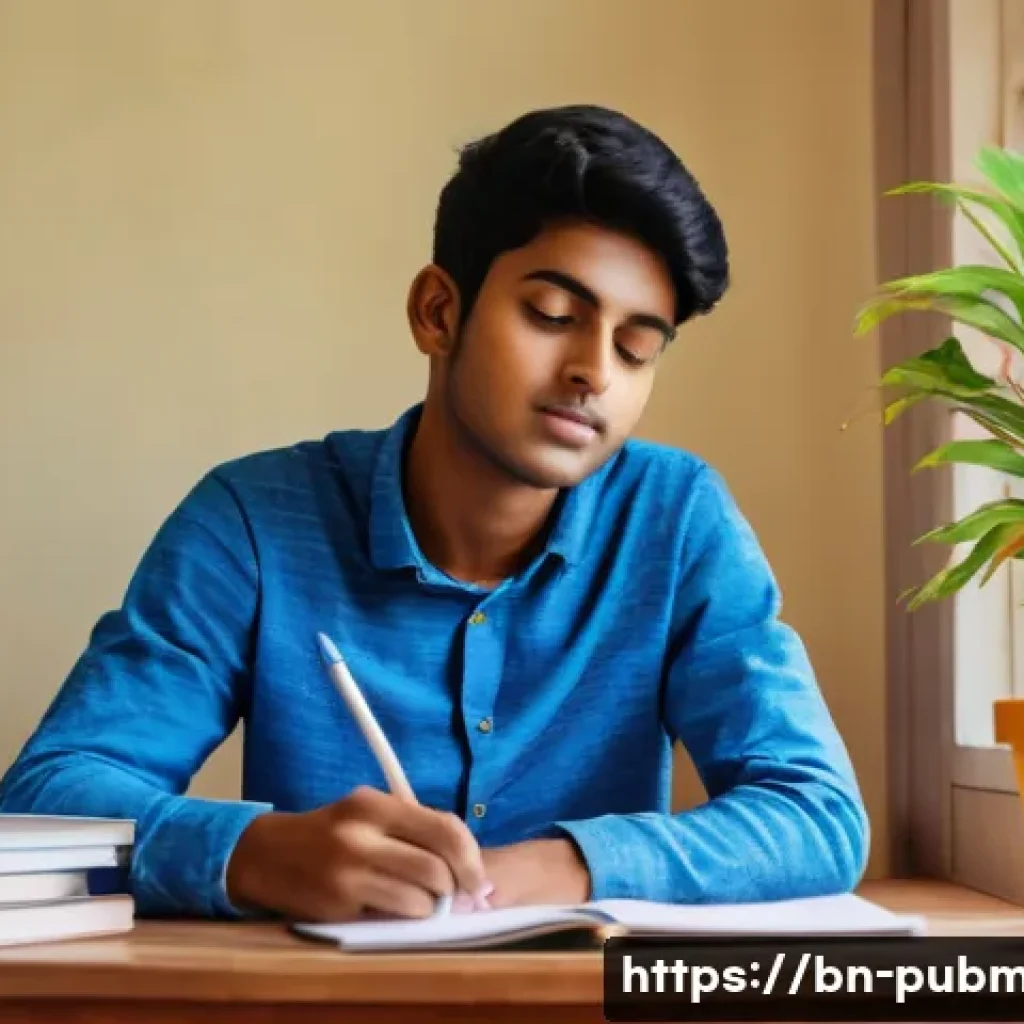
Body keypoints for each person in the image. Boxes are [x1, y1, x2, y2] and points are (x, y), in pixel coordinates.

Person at [0, 105, 869, 922]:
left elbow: (817, 815)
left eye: (637, 347)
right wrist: (256, 854)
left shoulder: (676, 521)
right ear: (438, 311)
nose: (594, 372)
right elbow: (46, 799)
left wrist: (559, 868)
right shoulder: (254, 522)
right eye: (553, 315)